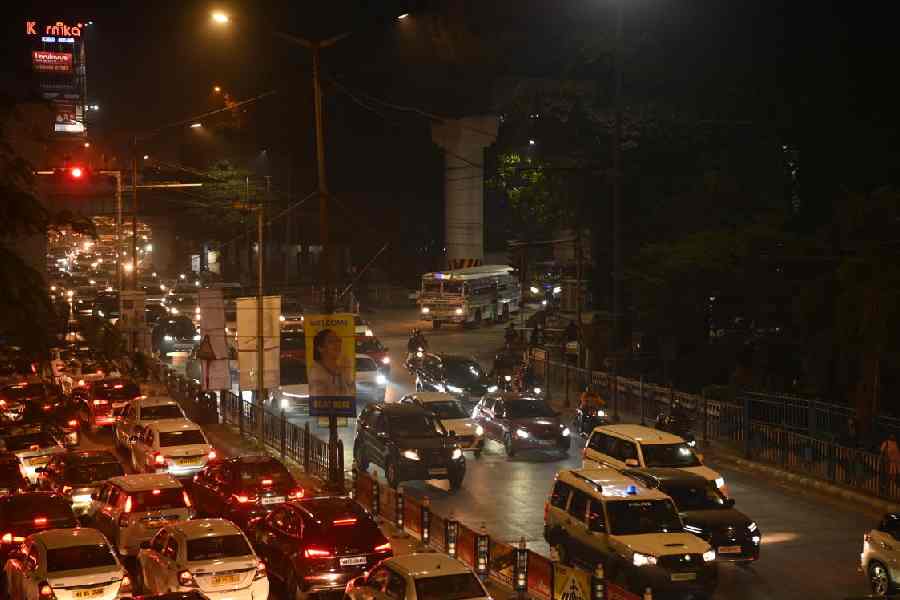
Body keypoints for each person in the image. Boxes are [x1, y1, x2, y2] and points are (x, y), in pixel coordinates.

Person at [309, 329, 355, 397]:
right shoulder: (317, 372)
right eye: (331, 341)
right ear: (320, 348)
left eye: (338, 340)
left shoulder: (342, 369)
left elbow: (349, 393)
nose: (337, 344)